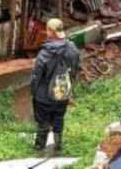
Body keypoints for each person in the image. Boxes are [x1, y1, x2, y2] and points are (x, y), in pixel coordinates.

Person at [30, 18, 80, 152]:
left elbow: (36, 76)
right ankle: (58, 146)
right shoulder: (72, 49)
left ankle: (39, 146)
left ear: (51, 32)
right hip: (62, 92)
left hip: (44, 96)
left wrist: (34, 92)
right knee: (58, 118)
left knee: (43, 122)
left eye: (47, 30)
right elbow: (75, 70)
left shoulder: (45, 53)